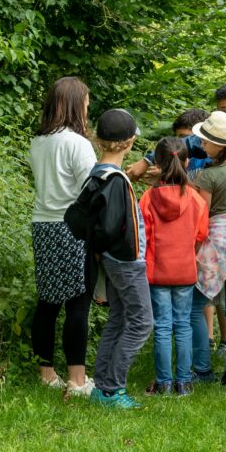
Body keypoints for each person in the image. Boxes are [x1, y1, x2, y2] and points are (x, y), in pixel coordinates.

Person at [65, 109, 153, 410]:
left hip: (108, 260)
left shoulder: (97, 173)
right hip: (126, 261)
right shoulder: (116, 180)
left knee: (118, 318)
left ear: (97, 139)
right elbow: (113, 227)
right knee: (142, 321)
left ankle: (102, 386)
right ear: (129, 143)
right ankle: (113, 388)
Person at [29, 76, 96, 401]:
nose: (87, 108)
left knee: (48, 302)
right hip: (73, 227)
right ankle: (77, 379)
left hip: (43, 224)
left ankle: (46, 373)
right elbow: (94, 190)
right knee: (78, 304)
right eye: (85, 103)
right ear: (74, 104)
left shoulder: (39, 141)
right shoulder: (77, 143)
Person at [140, 137, 209, 396]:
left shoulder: (148, 198)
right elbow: (201, 234)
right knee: (183, 324)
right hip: (185, 270)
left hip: (157, 270)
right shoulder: (195, 199)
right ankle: (184, 382)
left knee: (162, 326)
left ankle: (164, 382)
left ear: (157, 163)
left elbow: (142, 236)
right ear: (187, 162)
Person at [189, 111, 226, 388]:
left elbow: (202, 213)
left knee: (196, 305)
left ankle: (201, 367)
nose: (202, 145)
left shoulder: (208, 176)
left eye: (206, 141)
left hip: (215, 243)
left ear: (221, 146)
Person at [126, 108, 210, 182]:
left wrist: (168, 176)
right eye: (177, 138)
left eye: (184, 137)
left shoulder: (209, 160)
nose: (178, 142)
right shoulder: (177, 158)